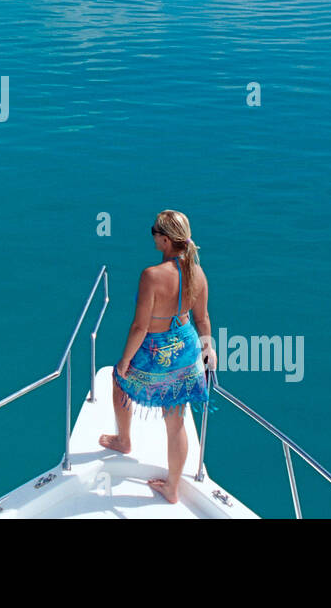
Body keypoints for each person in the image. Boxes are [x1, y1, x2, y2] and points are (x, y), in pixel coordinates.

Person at [99, 209, 217, 504]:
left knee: (118, 381)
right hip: (186, 347)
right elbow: (202, 319)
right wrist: (208, 349)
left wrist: (125, 362)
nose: (151, 235)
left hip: (155, 350)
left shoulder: (151, 275)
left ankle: (124, 440)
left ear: (165, 240)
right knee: (175, 420)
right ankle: (172, 488)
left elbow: (140, 326)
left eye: (154, 231)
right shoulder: (197, 273)